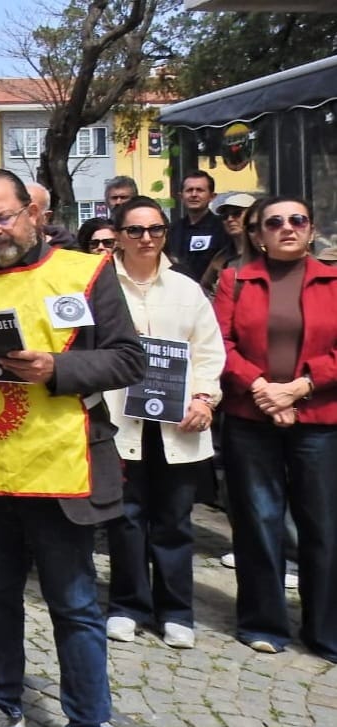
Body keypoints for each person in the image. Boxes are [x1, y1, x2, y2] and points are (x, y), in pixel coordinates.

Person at [0, 169, 144, 727]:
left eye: (3, 217)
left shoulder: (85, 272)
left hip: (59, 467)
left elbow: (128, 358)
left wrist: (57, 367)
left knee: (73, 603)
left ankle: (89, 716)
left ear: (33, 213)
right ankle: (0, 699)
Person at [213, 196, 337, 662]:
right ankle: (263, 622)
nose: (287, 227)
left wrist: (299, 388)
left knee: (322, 526)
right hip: (251, 420)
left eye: (297, 220)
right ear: (259, 235)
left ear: (311, 229)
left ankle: (325, 629)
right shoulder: (236, 281)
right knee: (258, 523)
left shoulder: (333, 281)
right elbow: (221, 344)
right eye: (275, 222)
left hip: (320, 422)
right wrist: (263, 389)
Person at [102, 197, 226, 650]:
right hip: (120, 420)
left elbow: (209, 351)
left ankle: (176, 611)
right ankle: (127, 606)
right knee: (126, 519)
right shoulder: (100, 288)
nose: (146, 238)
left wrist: (204, 398)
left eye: (155, 229)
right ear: (119, 236)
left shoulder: (185, 289)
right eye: (135, 230)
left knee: (174, 521)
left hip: (178, 423)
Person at [169, 170, 230, 283]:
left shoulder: (223, 228)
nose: (194, 194)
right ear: (181, 196)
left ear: (212, 196)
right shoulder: (172, 230)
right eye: (189, 190)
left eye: (200, 190)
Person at [199, 192, 258, 297]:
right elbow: (204, 288)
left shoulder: (266, 251)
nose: (230, 219)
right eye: (225, 216)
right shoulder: (221, 257)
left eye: (237, 213)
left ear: (254, 216)